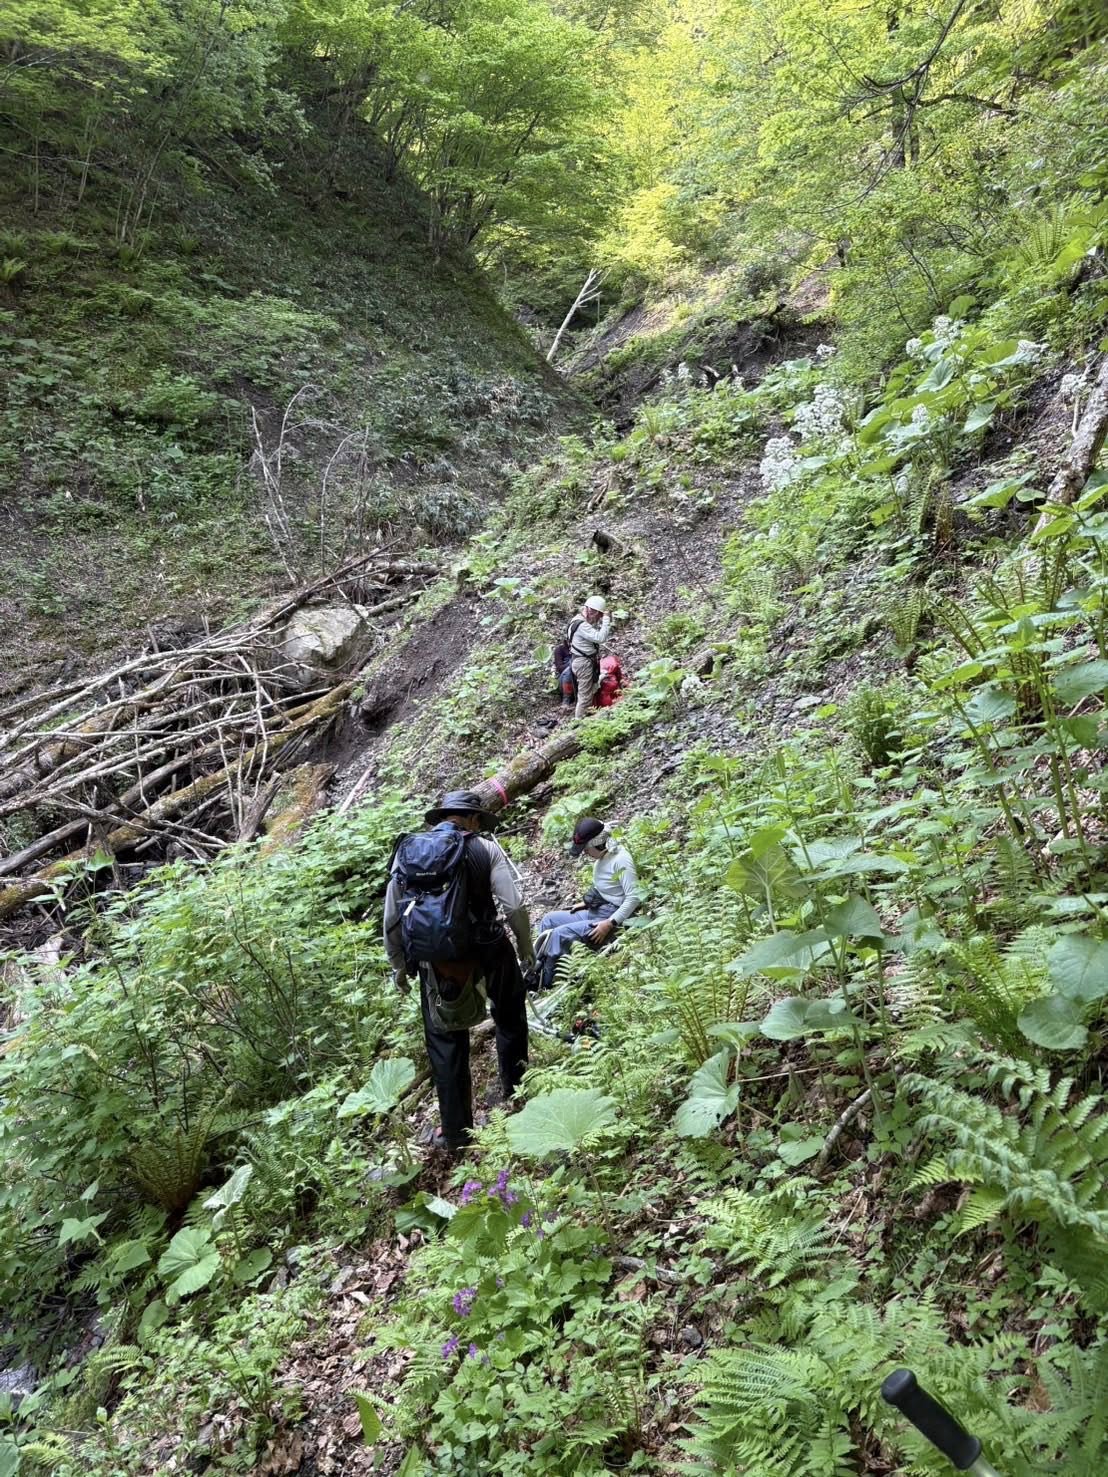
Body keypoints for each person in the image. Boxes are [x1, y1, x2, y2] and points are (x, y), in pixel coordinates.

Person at [384, 789, 535, 1153]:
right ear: (472, 818)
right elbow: (514, 906)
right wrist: (525, 946)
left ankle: (457, 1135)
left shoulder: (409, 852)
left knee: (445, 1043)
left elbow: (392, 918)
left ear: (442, 818)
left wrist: (399, 966)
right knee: (510, 1015)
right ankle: (517, 1093)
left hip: (437, 962)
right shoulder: (485, 849)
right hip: (490, 950)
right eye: (479, 820)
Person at [535, 817, 642, 991]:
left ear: (598, 843)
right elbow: (606, 887)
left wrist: (610, 924)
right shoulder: (603, 857)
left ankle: (543, 984)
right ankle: (536, 966)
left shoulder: (620, 859)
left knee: (558, 935)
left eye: (586, 849)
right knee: (549, 920)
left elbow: (634, 897)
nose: (585, 853)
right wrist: (586, 903)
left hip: (613, 919)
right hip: (599, 909)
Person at [569, 596, 610, 719]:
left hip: (584, 661)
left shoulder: (577, 620)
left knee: (590, 690)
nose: (598, 619)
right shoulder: (582, 625)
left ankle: (588, 717)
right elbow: (600, 638)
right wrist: (606, 620)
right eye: (599, 615)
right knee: (585, 698)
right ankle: (578, 723)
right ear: (591, 611)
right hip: (583, 663)